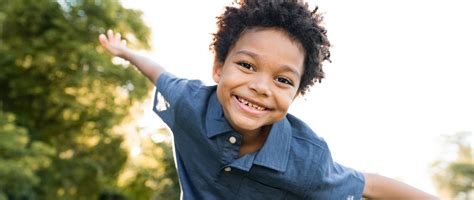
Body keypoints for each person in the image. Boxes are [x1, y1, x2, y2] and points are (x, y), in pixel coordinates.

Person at [99, 0, 439, 199]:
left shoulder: (307, 160)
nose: (261, 86)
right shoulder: (189, 102)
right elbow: (158, 72)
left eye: (282, 80)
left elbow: (371, 184)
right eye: (247, 65)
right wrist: (124, 52)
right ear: (218, 67)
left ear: (296, 93)